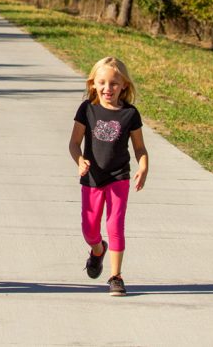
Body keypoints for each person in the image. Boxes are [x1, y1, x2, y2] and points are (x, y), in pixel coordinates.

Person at [68, 56, 148, 297]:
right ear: (93, 84)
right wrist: (80, 161)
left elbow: (140, 148)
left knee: (115, 224)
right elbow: (74, 143)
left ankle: (116, 276)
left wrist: (143, 166)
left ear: (124, 85)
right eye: (102, 82)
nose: (107, 88)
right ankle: (97, 250)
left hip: (118, 176)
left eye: (114, 83)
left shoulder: (130, 114)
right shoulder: (87, 109)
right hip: (92, 177)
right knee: (89, 230)